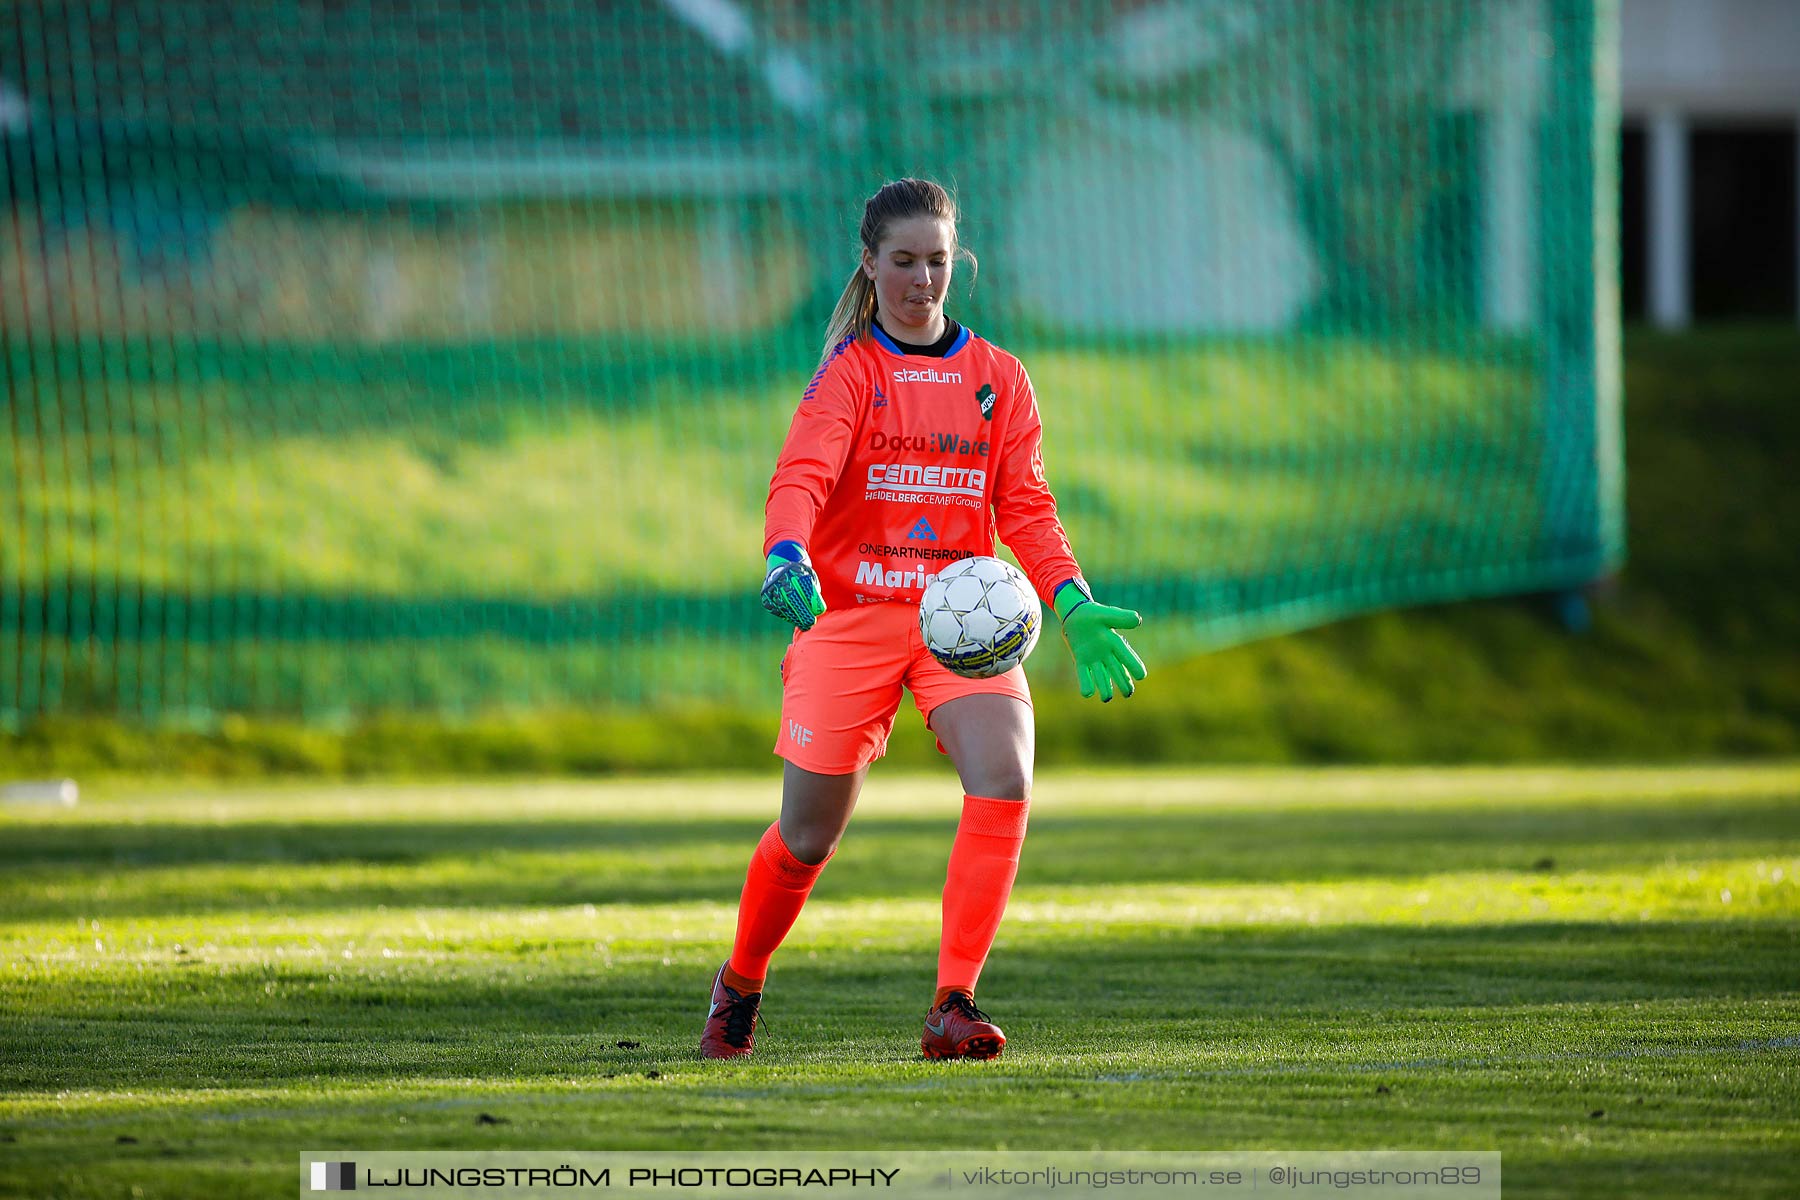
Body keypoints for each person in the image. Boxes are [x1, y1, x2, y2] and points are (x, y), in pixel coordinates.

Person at [701, 178, 1146, 1062]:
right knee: (806, 835)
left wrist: (1072, 598)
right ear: (869, 264)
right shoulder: (849, 373)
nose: (921, 279)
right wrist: (786, 550)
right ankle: (741, 982)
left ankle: (954, 1004)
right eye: (903, 261)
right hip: (849, 616)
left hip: (961, 622)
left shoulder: (999, 377)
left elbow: (1027, 508)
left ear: (958, 261)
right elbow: (801, 476)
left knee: (1006, 778)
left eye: (937, 261)